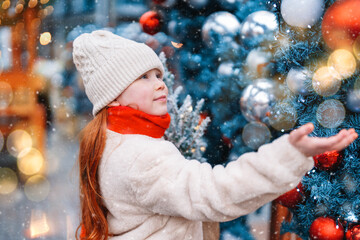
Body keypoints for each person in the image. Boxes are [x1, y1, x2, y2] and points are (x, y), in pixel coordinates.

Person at [72, 30, 358, 240]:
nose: (160, 84)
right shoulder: (140, 156)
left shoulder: (117, 140)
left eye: (158, 75)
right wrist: (288, 156)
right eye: (144, 78)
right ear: (113, 99)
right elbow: (213, 193)